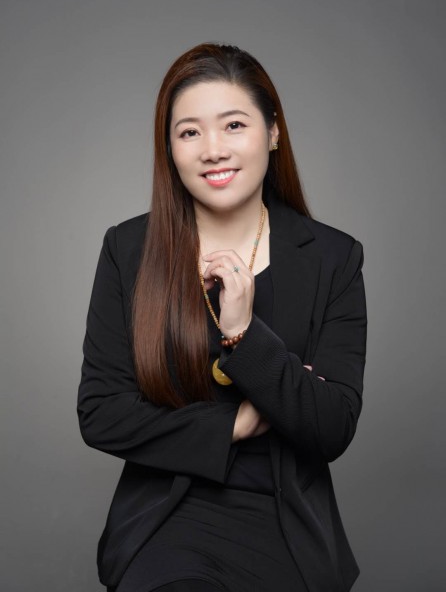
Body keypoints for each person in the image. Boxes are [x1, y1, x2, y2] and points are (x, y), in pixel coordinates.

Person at [78, 42, 367, 592]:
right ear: (170, 148)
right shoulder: (129, 248)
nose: (212, 150)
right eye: (189, 132)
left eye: (234, 125)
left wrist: (244, 334)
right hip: (167, 520)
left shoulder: (333, 257)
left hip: (287, 527)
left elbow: (331, 426)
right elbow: (102, 413)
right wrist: (235, 425)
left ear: (273, 132)